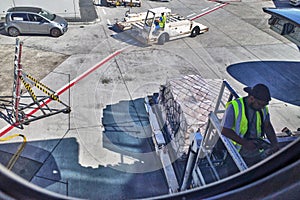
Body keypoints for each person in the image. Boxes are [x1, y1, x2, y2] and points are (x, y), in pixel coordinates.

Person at [221, 83, 279, 166]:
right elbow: (225, 130)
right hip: (235, 151)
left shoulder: (263, 109)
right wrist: (245, 143)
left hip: (254, 149)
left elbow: (267, 126)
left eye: (264, 105)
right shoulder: (234, 107)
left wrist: (275, 144)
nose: (262, 107)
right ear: (252, 98)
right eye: (260, 104)